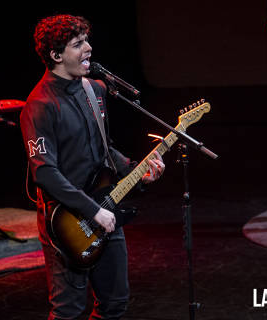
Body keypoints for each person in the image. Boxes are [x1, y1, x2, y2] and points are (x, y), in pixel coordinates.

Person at [20, 14, 165, 319]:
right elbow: (44, 171)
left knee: (115, 303)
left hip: (105, 208)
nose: (88, 48)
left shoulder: (95, 90)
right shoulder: (39, 105)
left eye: (86, 39)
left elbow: (104, 149)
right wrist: (91, 209)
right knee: (68, 310)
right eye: (78, 44)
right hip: (66, 221)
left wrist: (138, 171)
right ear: (56, 56)